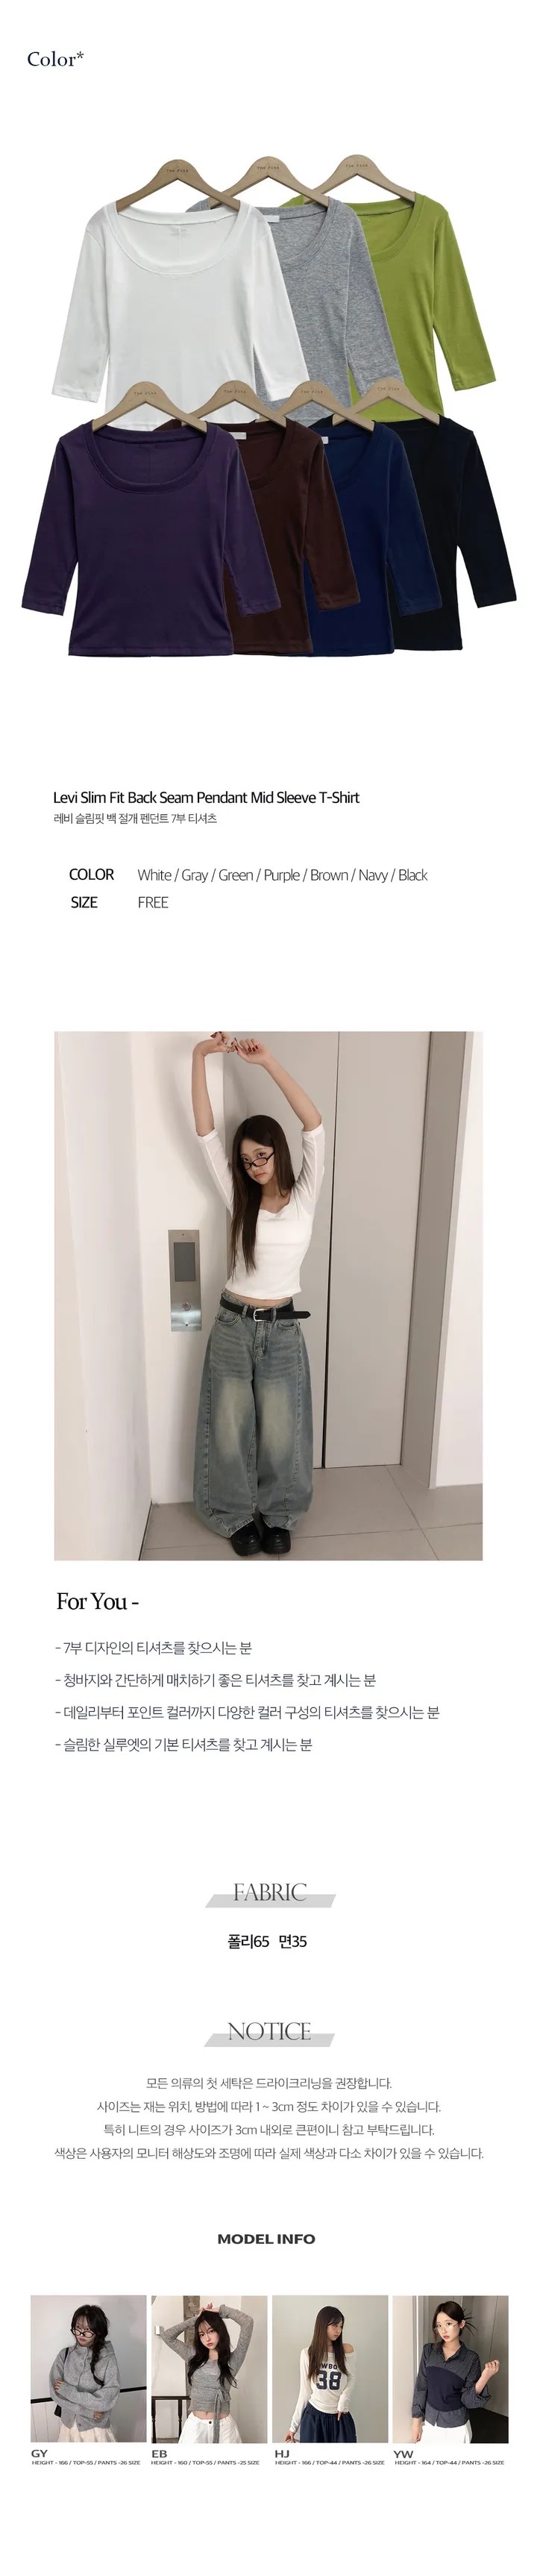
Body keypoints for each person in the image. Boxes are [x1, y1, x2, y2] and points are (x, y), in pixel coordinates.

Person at [192, 1034, 324, 1555]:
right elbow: (205, 1132)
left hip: (283, 1327)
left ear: (277, 1150)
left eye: (262, 1155)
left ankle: (279, 1515)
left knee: (282, 1430)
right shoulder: (238, 1198)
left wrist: (267, 1062)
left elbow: (314, 1123)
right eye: (246, 1160)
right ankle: (231, 1515)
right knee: (228, 1427)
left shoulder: (304, 1196)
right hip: (233, 1325)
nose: (255, 1166)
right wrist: (200, 1056)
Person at [156, 2301, 254, 2445]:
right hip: (195, 2426)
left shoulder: (233, 2360)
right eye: (202, 2334)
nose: (207, 2339)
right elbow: (168, 2336)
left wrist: (221, 2310)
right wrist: (197, 2319)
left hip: (223, 2428)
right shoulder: (193, 2356)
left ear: (220, 2331)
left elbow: (248, 2322)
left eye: (211, 2331)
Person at [411, 2301, 500, 2447]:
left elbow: (468, 2402)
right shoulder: (429, 2351)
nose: (443, 2330)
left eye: (448, 2324)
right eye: (439, 2325)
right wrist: (416, 2422)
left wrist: (485, 2377)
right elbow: (421, 2386)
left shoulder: (471, 2359)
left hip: (456, 2428)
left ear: (461, 2324)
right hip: (430, 2424)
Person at [285, 2306, 357, 2443]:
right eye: (335, 2325)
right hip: (314, 2417)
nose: (339, 2330)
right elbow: (305, 2392)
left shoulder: (346, 2350)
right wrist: (293, 2427)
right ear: (323, 2325)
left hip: (340, 2417)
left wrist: (344, 2401)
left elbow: (351, 2378)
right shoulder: (308, 2354)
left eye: (341, 2326)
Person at [49, 2304, 120, 2442]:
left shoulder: (108, 2359)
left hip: (96, 2430)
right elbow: (56, 2393)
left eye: (87, 2330)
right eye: (78, 2328)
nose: (81, 2334)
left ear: (98, 2331)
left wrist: (69, 2392)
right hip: (69, 2427)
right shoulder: (64, 2355)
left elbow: (106, 2400)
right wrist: (88, 2411)